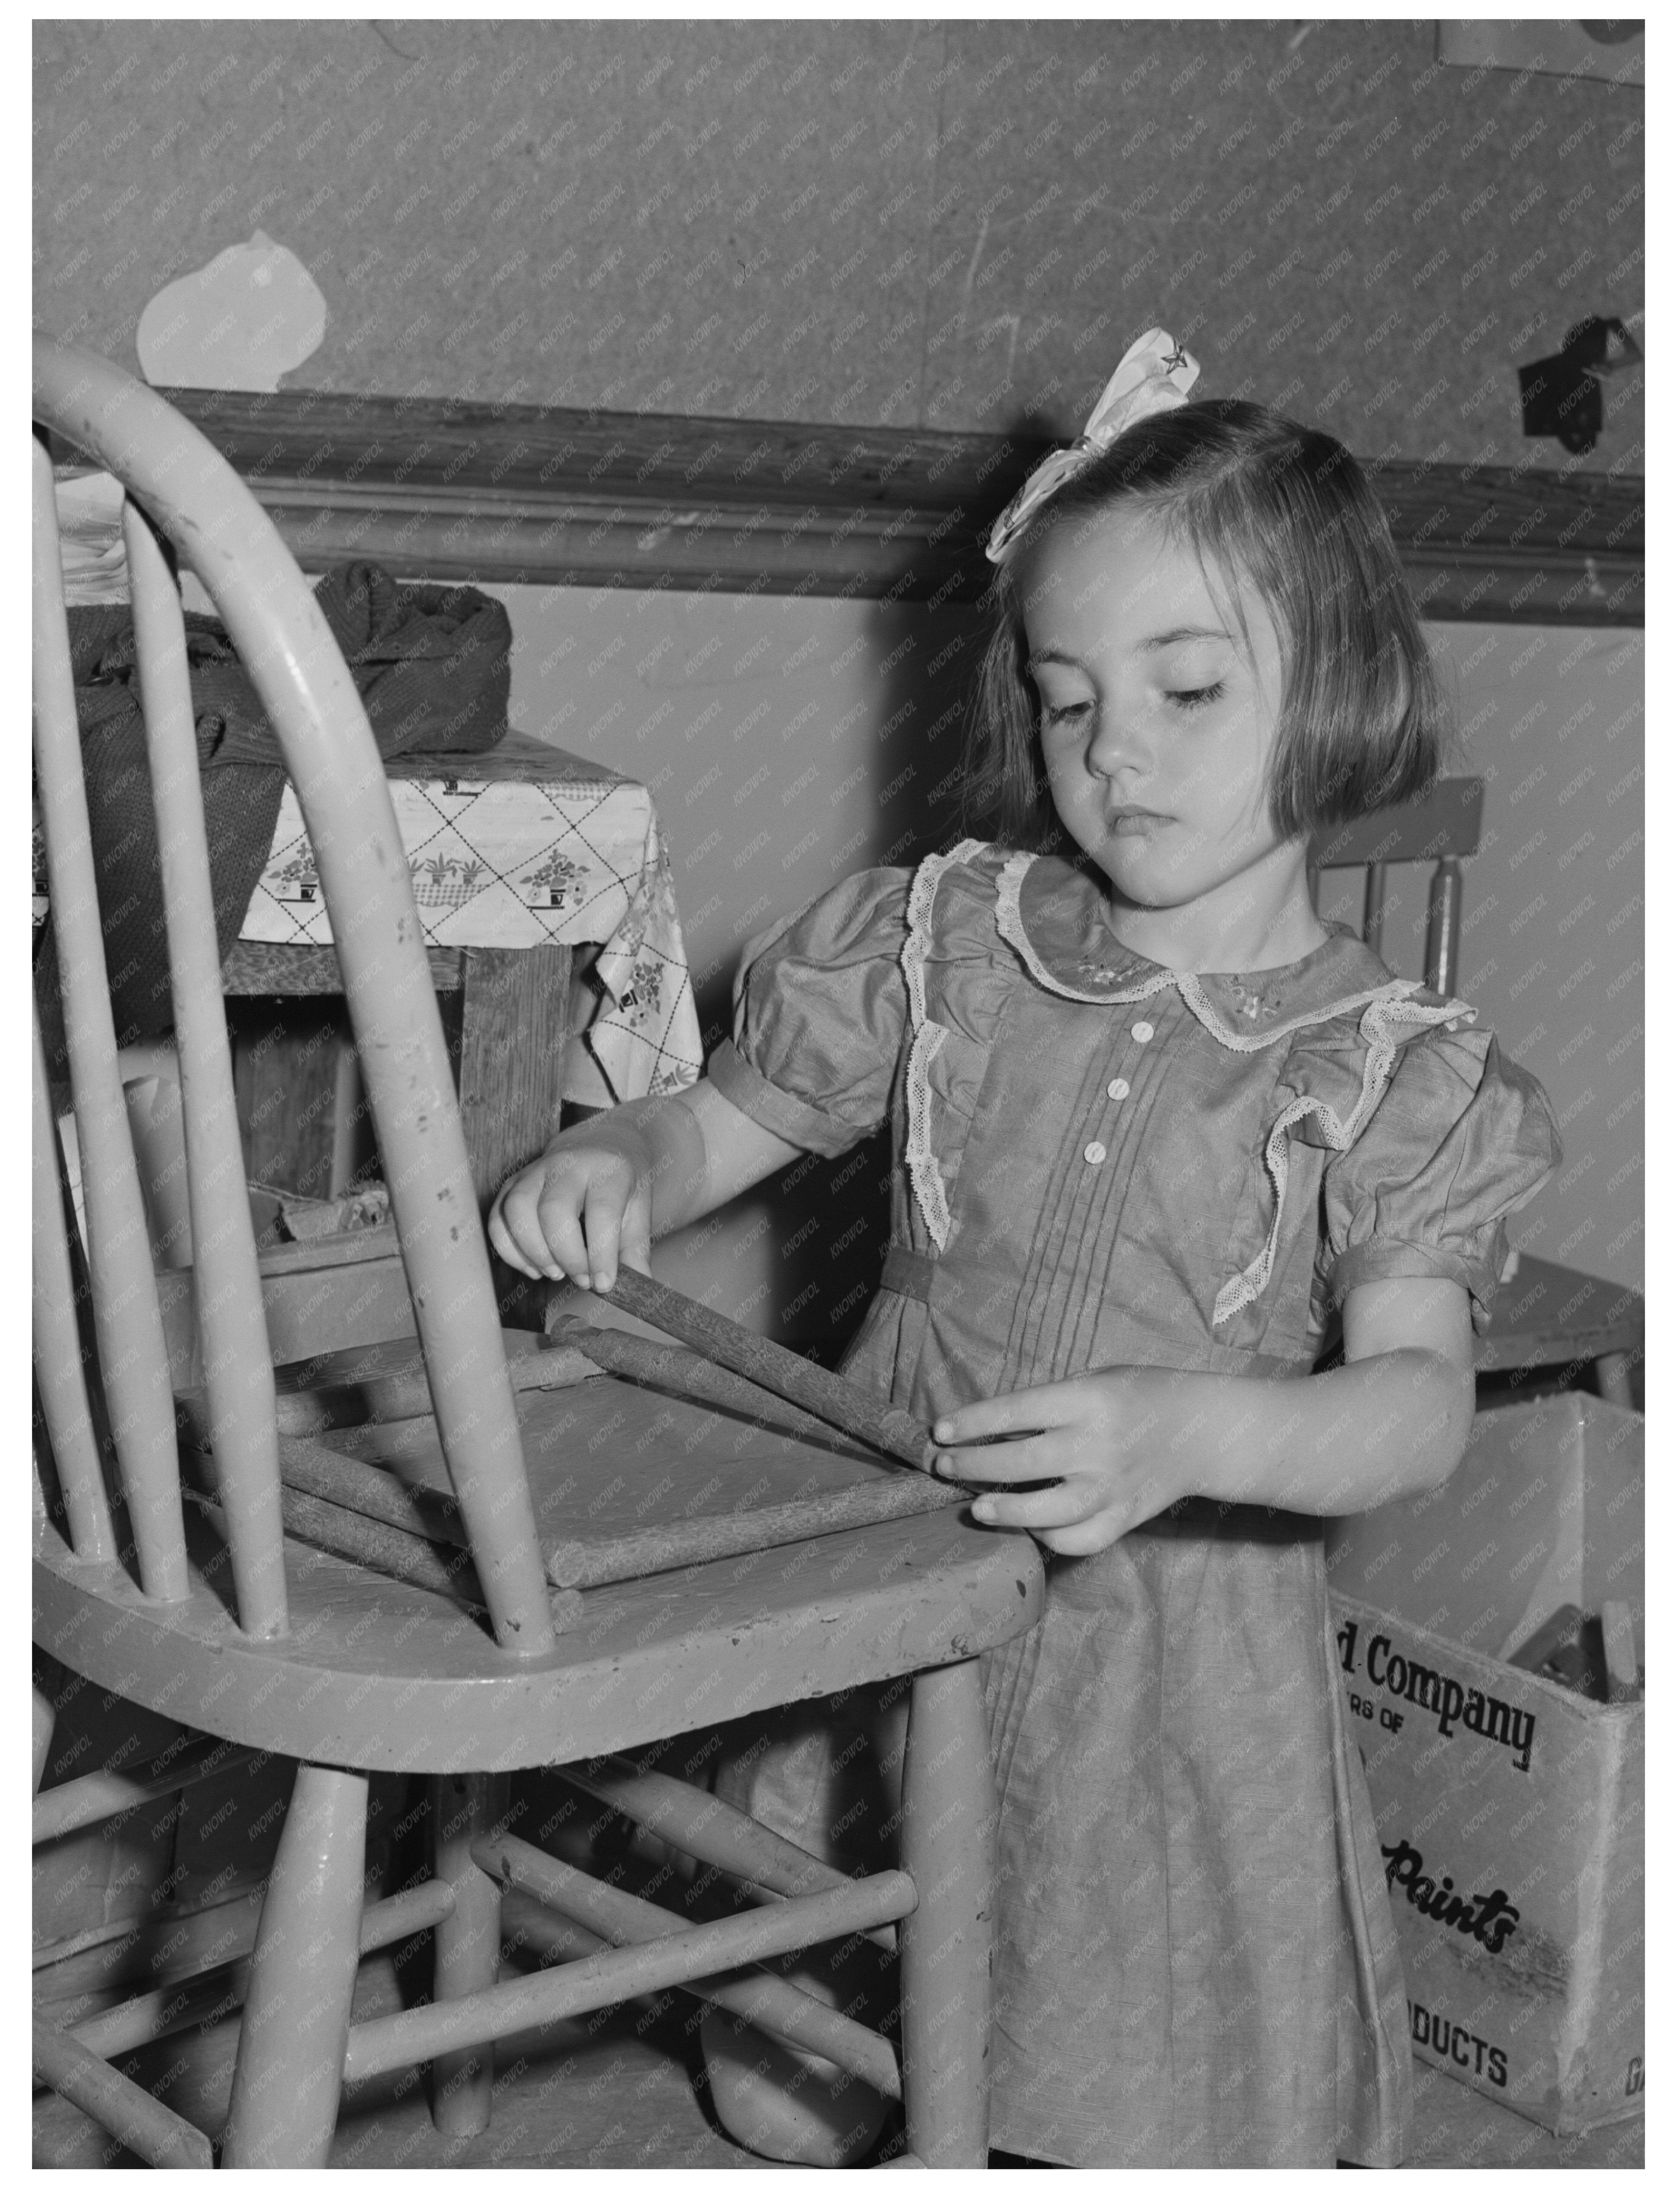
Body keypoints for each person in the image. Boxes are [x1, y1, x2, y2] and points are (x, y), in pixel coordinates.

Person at [489, 331, 1563, 2168]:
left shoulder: (1384, 1066)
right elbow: (729, 1119)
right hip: (900, 1536)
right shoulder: (955, 938)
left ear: (1342, 687)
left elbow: (1413, 1410)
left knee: (1116, 2071)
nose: (1113, 748)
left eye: (1189, 687)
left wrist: (1194, 1434)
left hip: (1172, 1630)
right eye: (1069, 700)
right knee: (813, 2056)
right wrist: (625, 1151)